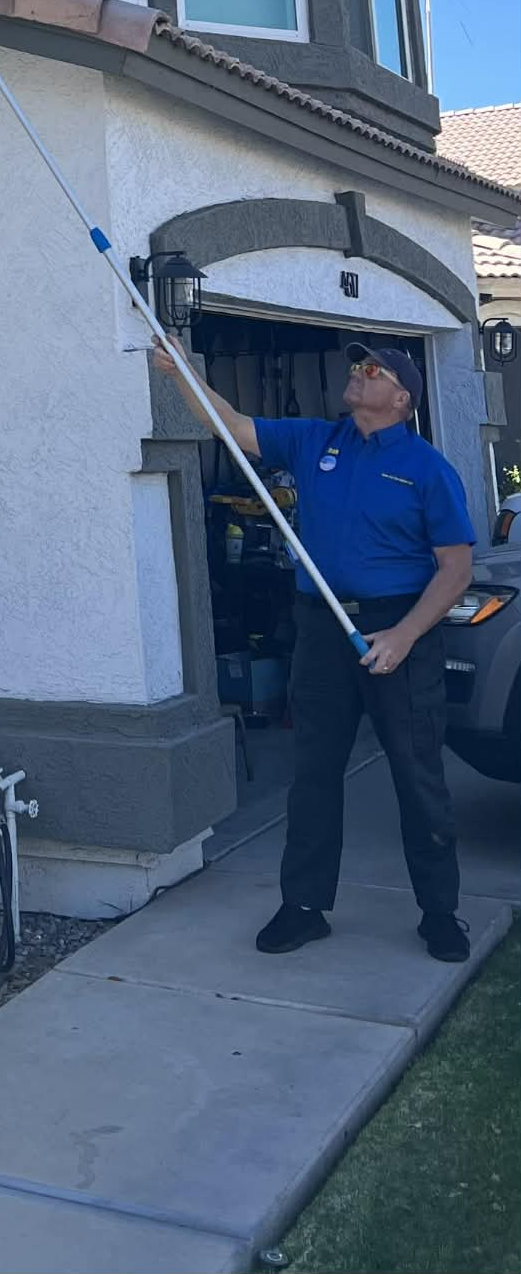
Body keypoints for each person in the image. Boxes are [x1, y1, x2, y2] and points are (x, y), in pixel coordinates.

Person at [153, 338, 475, 962]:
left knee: (418, 776)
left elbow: (455, 569)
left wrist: (404, 635)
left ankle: (440, 913)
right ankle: (304, 907)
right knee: (314, 773)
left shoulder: (427, 467)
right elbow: (232, 426)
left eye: (371, 369)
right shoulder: (314, 441)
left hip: (398, 628)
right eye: (355, 365)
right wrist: (184, 374)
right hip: (323, 628)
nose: (357, 373)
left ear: (402, 398)